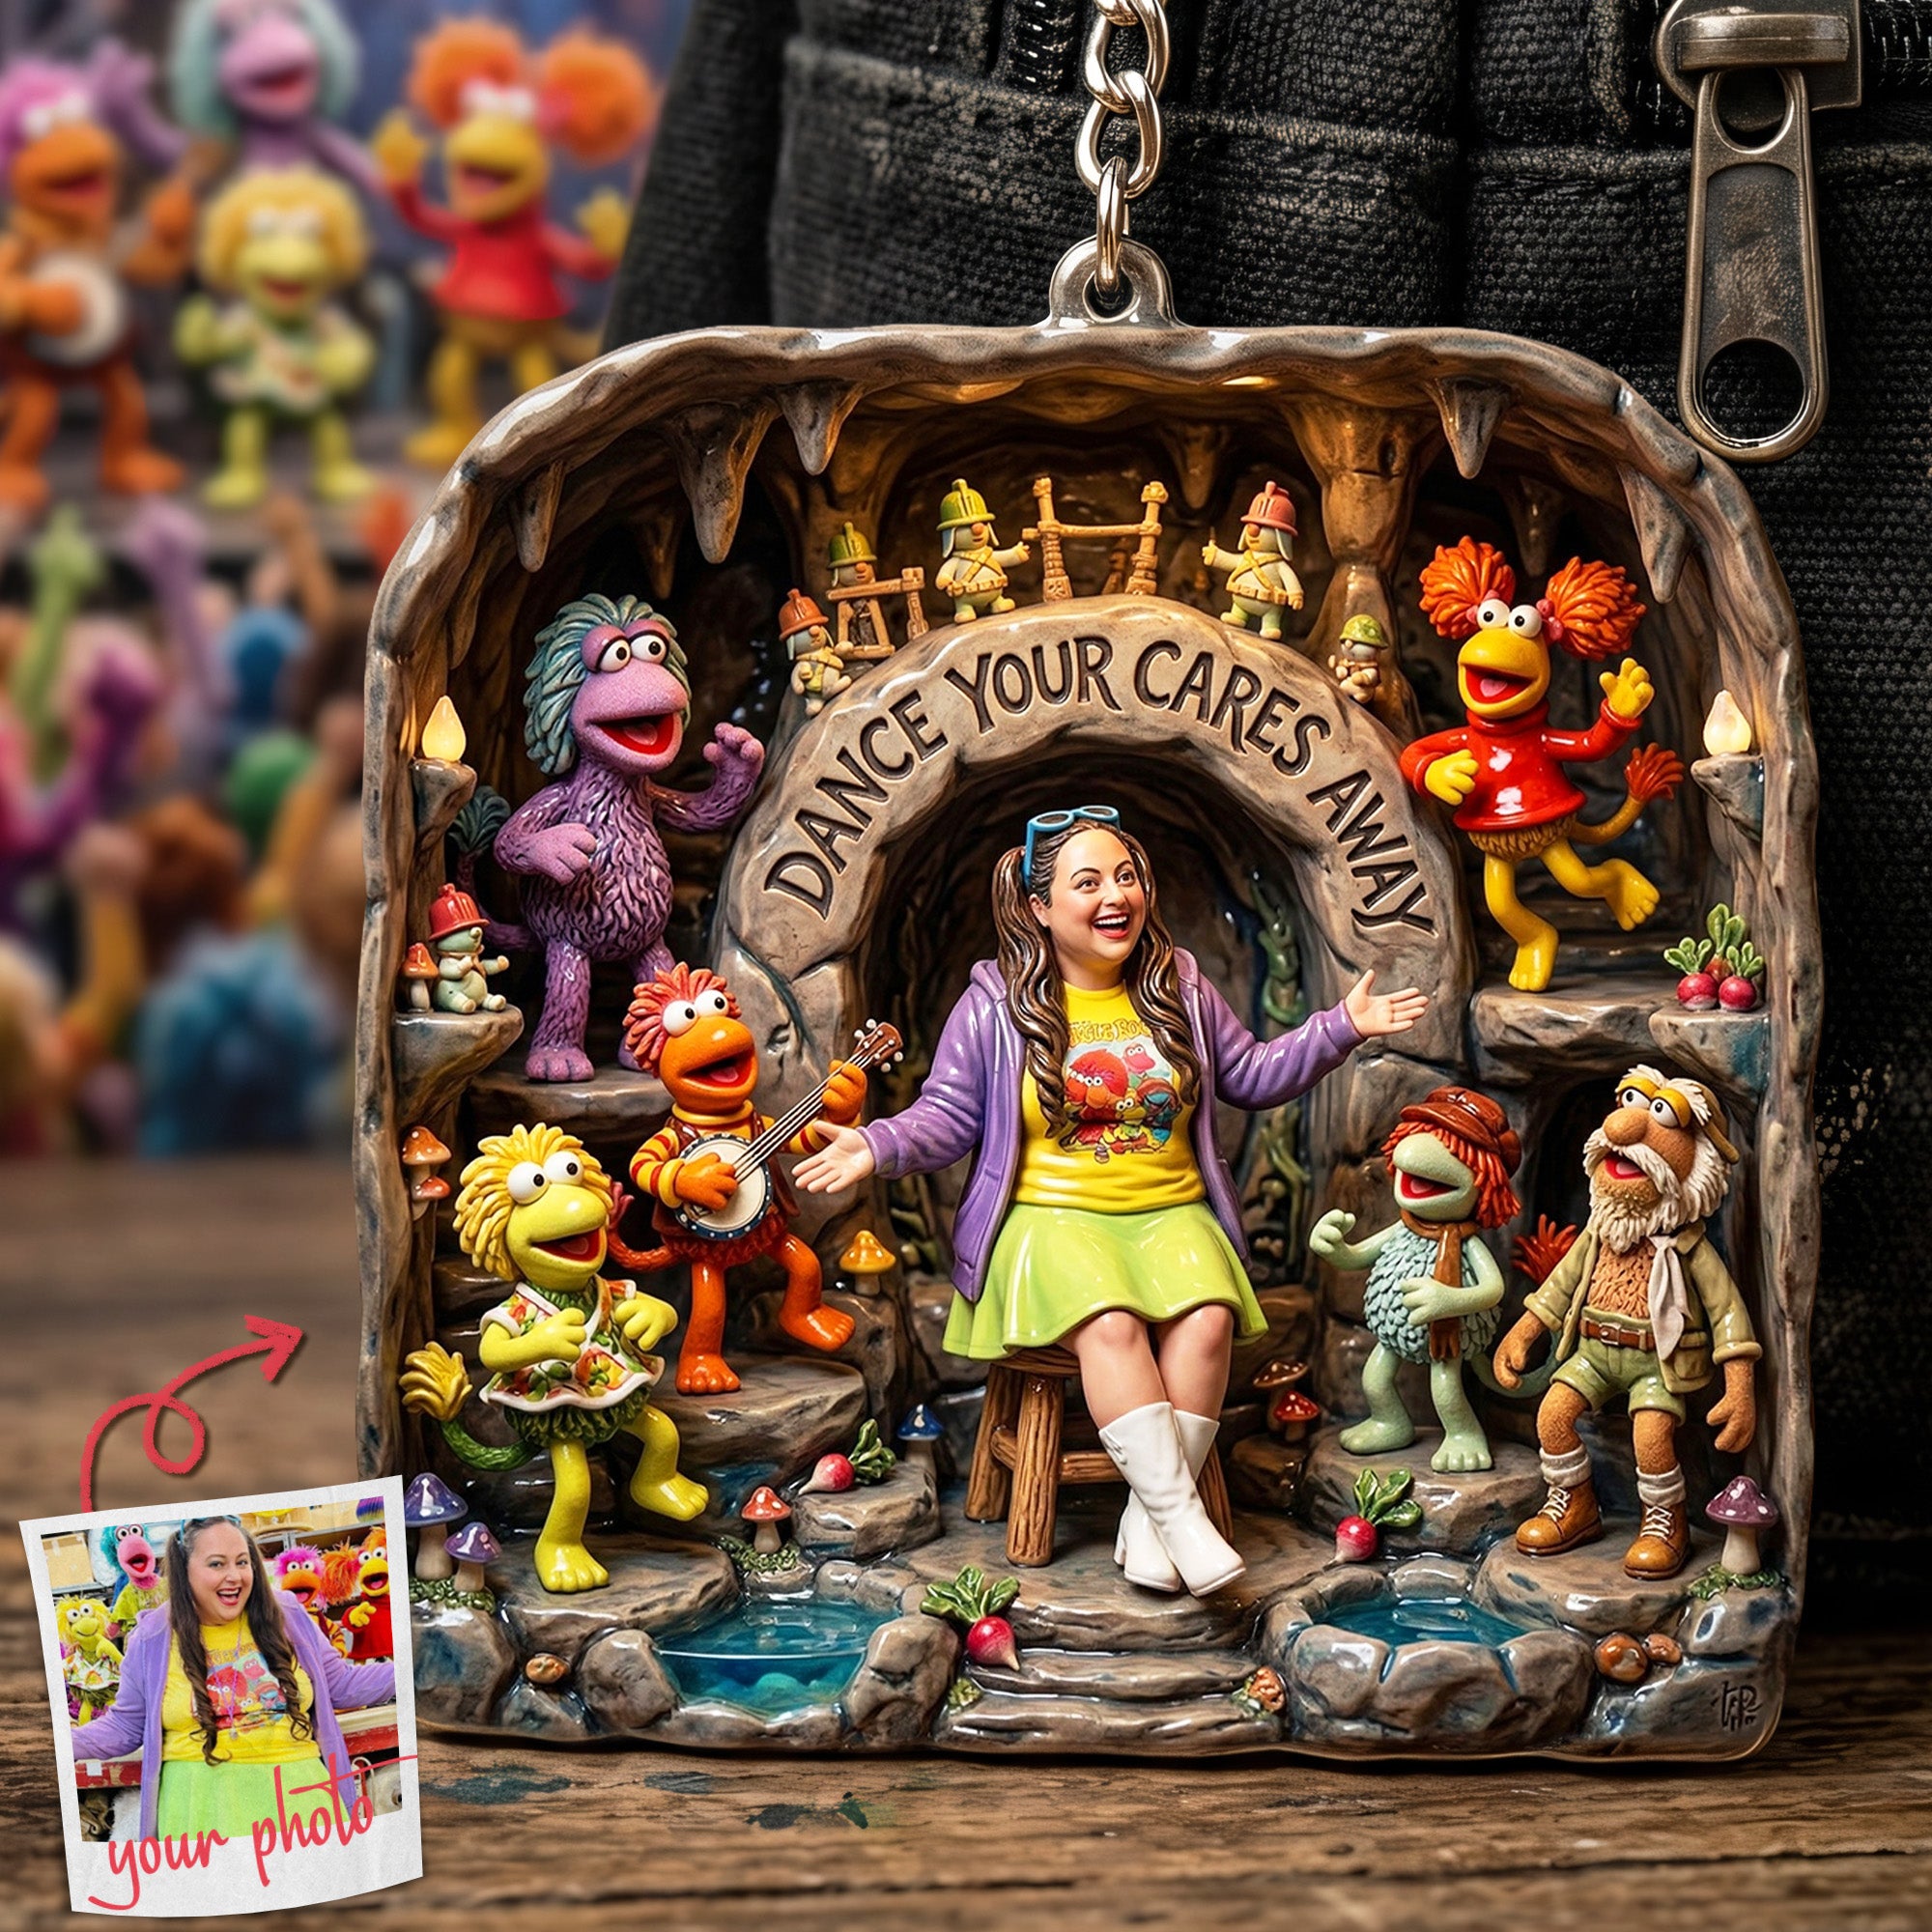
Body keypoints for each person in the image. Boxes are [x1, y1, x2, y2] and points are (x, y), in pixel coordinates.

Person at [797, 806, 1427, 1596]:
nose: (1114, 896)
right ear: (1039, 906)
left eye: (1126, 877)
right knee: (1110, 1321)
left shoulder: (1179, 987)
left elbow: (1250, 1075)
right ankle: (1183, 1518)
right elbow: (948, 1115)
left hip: (1172, 1212)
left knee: (1208, 1316)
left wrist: (1342, 1027)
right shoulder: (995, 1005)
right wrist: (876, 1144)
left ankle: (1151, 1518)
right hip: (1050, 1220)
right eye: (1088, 882)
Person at [71, 1517, 394, 1843]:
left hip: (303, 1804)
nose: (234, 1576)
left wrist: (413, 1670)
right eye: (217, 1564)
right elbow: (124, 1726)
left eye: (242, 1562)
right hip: (200, 1813)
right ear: (184, 1571)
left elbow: (341, 1684)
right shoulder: (152, 1636)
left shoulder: (287, 1615)